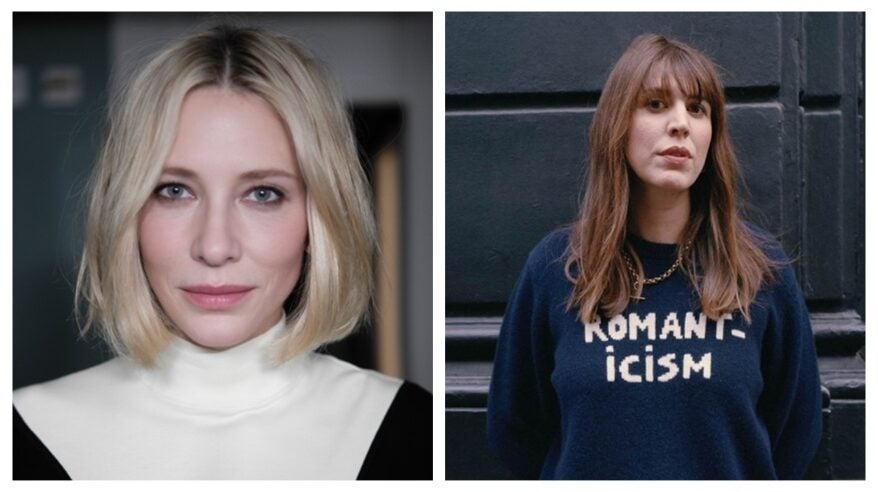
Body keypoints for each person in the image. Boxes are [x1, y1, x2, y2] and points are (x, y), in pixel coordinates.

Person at [13, 25, 430, 480]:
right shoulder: (21, 435)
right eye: (174, 190)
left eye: (263, 194)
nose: (215, 247)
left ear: (318, 219)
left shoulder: (414, 431)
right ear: (126, 212)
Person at [486, 33, 822, 480]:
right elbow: (515, 428)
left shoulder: (760, 269)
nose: (680, 123)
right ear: (618, 123)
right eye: (657, 104)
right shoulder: (557, 267)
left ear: (711, 135)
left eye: (697, 109)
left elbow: (795, 428)